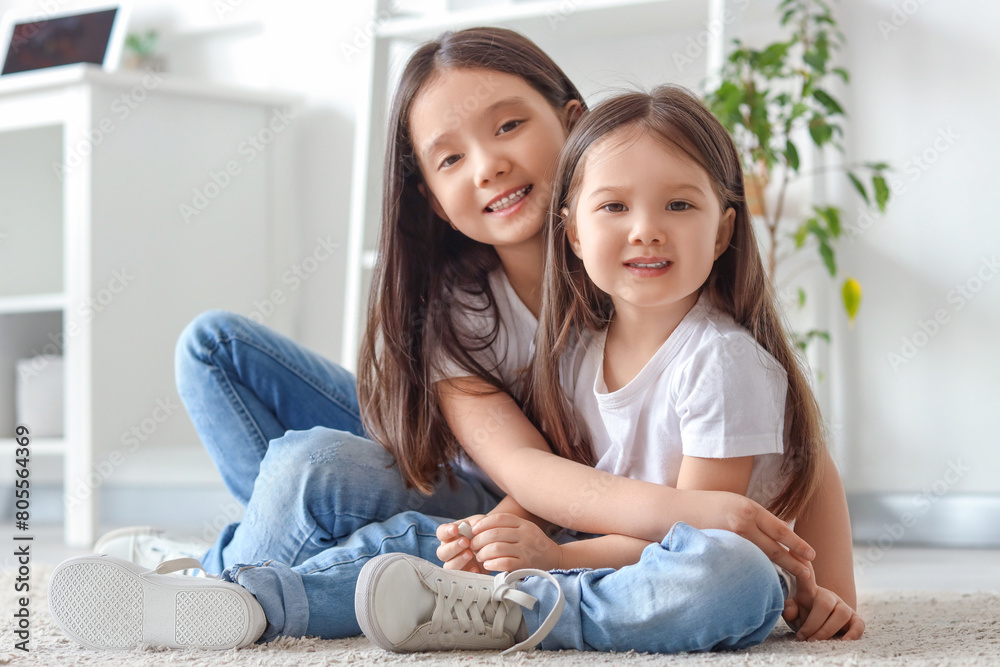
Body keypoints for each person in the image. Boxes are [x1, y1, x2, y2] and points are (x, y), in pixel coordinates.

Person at [48, 29, 812, 652]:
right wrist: (682, 512)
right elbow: (518, 465)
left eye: (510, 125)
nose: (491, 164)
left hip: (560, 511)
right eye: (451, 158)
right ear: (429, 195)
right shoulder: (454, 302)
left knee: (330, 479)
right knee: (232, 369)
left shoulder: (643, 268)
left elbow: (779, 421)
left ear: (575, 122)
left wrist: (820, 579)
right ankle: (228, 572)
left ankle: (230, 577)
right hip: (489, 475)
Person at [356, 85, 864, 653]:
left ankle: (522, 611)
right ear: (572, 232)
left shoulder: (720, 359)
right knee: (409, 545)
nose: (645, 228)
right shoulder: (576, 350)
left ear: (722, 231)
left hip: (672, 566)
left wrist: (555, 558)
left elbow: (696, 536)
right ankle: (276, 597)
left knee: (730, 574)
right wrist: (496, 534)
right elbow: (565, 478)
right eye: (615, 207)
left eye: (679, 205)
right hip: (602, 556)